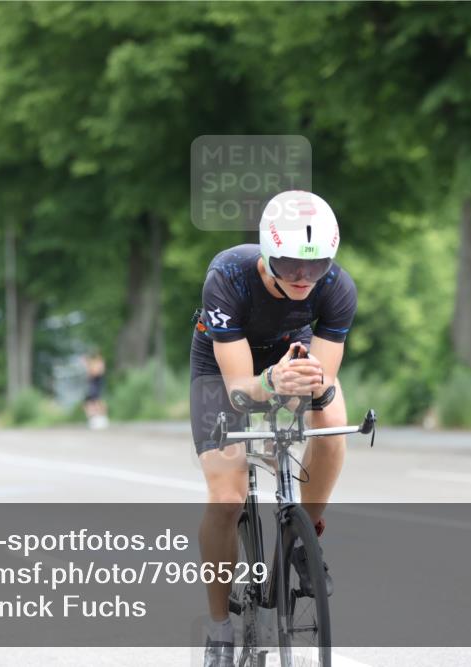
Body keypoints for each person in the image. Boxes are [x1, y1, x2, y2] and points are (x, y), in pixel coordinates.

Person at [190, 191, 357, 666]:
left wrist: (313, 391)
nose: (304, 277)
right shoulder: (228, 276)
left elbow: (320, 382)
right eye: (289, 264)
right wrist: (269, 382)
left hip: (291, 352)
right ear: (267, 251)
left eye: (317, 264)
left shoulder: (337, 287)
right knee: (227, 495)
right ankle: (219, 630)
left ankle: (304, 539)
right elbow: (240, 391)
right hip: (224, 366)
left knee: (334, 422)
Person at [83, 349, 108, 429]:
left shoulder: (99, 364)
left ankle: (100, 419)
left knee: (96, 402)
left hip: (96, 386)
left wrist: (88, 364)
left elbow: (95, 373)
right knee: (90, 403)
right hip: (93, 386)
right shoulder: (96, 363)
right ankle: (94, 419)